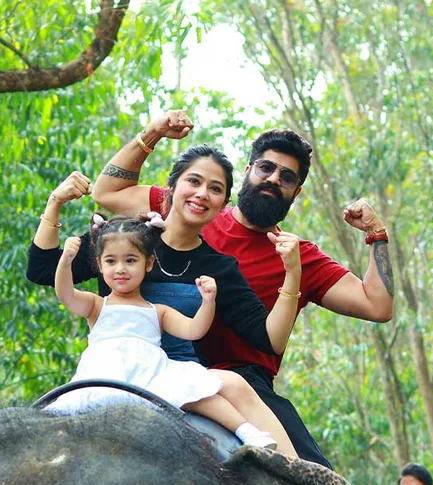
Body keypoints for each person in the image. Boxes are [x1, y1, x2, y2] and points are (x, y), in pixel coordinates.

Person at [92, 111, 395, 468]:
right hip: (157, 363)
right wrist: (153, 133)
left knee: (317, 484)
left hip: (244, 382)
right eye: (266, 168)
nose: (273, 179)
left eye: (286, 177)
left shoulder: (297, 255)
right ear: (249, 169)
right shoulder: (194, 210)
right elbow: (106, 192)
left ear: (296, 192)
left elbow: (378, 306)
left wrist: (376, 234)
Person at [27, 146, 306, 457]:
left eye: (214, 189)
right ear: (172, 188)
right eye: (194, 182)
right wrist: (55, 204)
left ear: (224, 204)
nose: (202, 194)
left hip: (174, 373)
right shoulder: (128, 239)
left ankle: (300, 479)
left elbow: (270, 339)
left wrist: (292, 272)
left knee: (236, 384)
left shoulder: (219, 268)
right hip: (111, 367)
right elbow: (43, 270)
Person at [43, 214, 290, 450]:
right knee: (63, 417)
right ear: (99, 264)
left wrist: (208, 301)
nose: (121, 269)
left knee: (199, 393)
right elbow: (65, 294)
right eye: (111, 261)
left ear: (148, 263)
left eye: (130, 260)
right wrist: (65, 262)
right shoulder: (97, 305)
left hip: (150, 374)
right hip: (104, 373)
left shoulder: (157, 311)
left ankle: (246, 430)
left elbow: (194, 330)